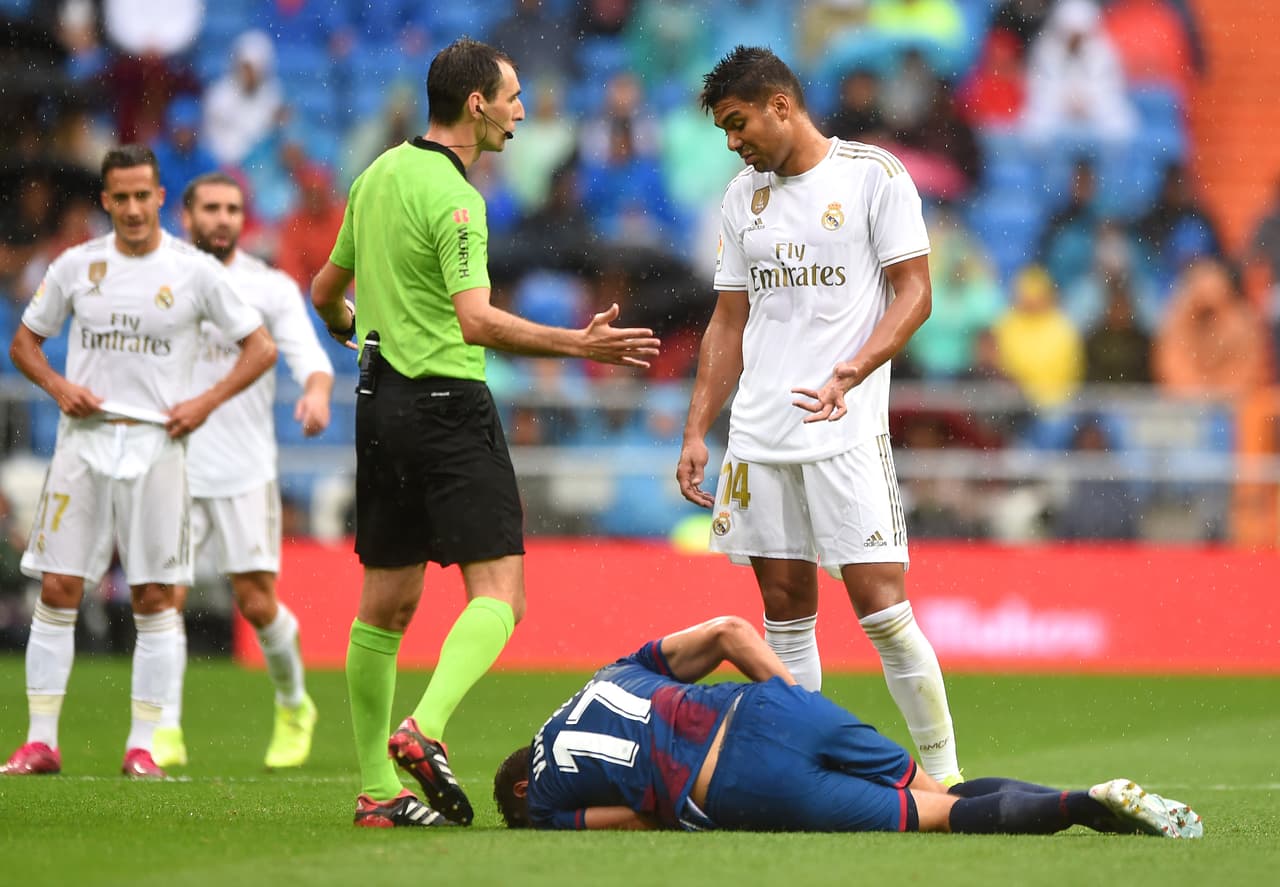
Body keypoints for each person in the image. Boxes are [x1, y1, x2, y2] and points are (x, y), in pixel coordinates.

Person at [309, 38, 661, 828]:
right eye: (511, 98)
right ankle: (423, 728)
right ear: (476, 104)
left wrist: (349, 327)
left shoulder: (376, 175)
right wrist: (581, 343)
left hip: (379, 406)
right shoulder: (457, 197)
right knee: (502, 593)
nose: (521, 112)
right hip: (447, 405)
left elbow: (325, 289)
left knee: (386, 604)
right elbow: (475, 320)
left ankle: (375, 789)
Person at [675, 45, 961, 784]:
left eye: (738, 124)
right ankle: (804, 777)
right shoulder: (744, 196)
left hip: (846, 431)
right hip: (760, 437)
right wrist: (697, 427)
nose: (734, 143)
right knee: (785, 614)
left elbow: (915, 292)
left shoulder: (873, 176)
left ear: (780, 104)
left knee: (882, 610)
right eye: (723, 133)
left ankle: (949, 778)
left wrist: (857, 367)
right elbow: (727, 322)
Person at [1, 144, 275, 778]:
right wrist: (61, 387)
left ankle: (143, 747)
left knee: (156, 596)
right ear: (105, 200)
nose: (130, 208)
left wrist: (204, 402)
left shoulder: (193, 272)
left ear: (158, 197)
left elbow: (258, 349)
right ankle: (40, 741)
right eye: (118, 197)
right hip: (84, 443)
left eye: (140, 196)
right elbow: (24, 344)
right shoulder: (75, 266)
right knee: (60, 587)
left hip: (157, 447)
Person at [492, 615, 1203, 838]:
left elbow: (639, 821)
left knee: (939, 821)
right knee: (943, 790)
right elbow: (733, 631)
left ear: (523, 782)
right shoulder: (608, 674)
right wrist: (795, 700)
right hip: (774, 706)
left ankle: (1088, 804)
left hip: (737, 782)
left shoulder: (547, 799)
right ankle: (1090, 793)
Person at [146, 171, 335, 771]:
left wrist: (316, 395)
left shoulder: (271, 288)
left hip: (243, 467)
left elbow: (312, 360)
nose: (222, 218)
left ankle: (293, 702)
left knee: (255, 602)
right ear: (187, 214)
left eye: (232, 208)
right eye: (211, 208)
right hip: (170, 461)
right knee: (162, 597)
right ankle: (164, 729)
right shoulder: (160, 279)